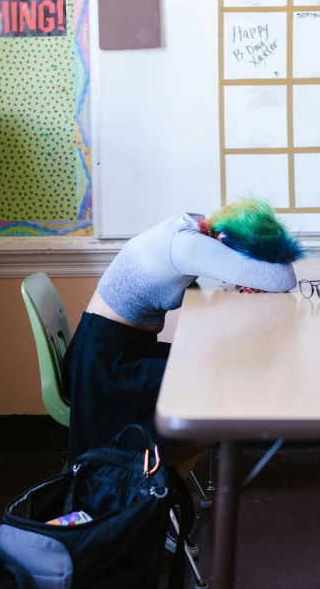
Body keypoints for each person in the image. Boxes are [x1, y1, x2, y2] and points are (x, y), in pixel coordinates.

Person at [63, 199, 305, 465]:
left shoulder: (191, 226)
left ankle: (166, 478)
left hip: (115, 346)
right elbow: (283, 278)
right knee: (215, 385)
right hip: (107, 365)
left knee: (214, 370)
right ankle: (158, 480)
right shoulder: (189, 246)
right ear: (223, 238)